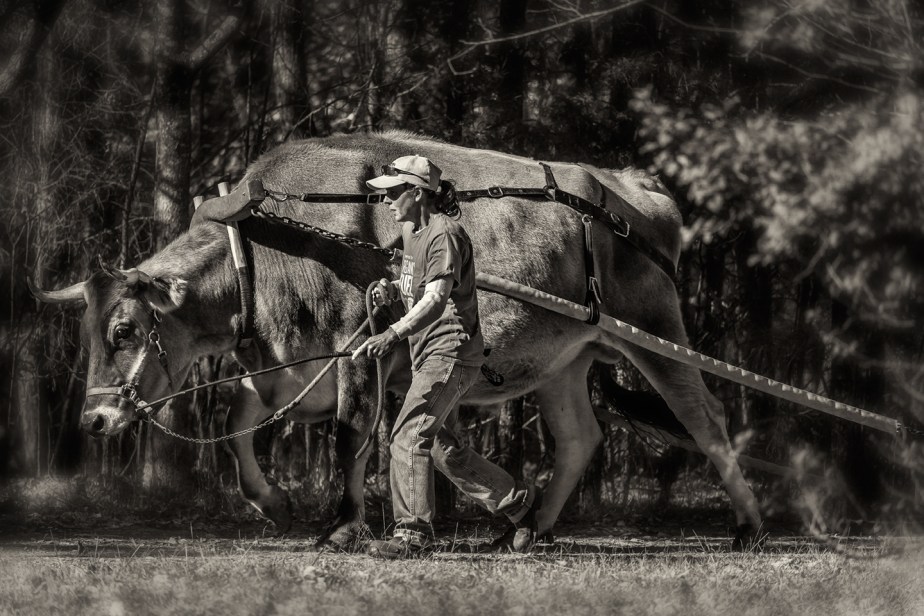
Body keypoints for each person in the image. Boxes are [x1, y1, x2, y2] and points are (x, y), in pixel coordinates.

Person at [352, 155, 540, 559]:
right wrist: (389, 291)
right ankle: (520, 508)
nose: (385, 199)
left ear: (417, 193)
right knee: (442, 448)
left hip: (450, 352)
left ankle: (412, 535)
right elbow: (416, 287)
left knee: (407, 435)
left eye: (392, 191)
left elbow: (437, 299)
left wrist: (393, 332)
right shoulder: (410, 230)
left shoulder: (445, 234)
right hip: (428, 354)